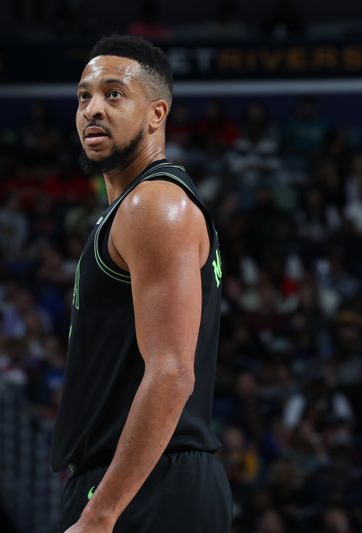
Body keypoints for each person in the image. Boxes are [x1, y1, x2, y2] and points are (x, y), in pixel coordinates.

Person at [51, 34, 233, 533]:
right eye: (84, 96)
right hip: (140, 479)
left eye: (113, 94)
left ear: (156, 114)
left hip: (149, 486)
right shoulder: (136, 207)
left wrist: (100, 514)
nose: (92, 109)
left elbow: (172, 373)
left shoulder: (154, 205)